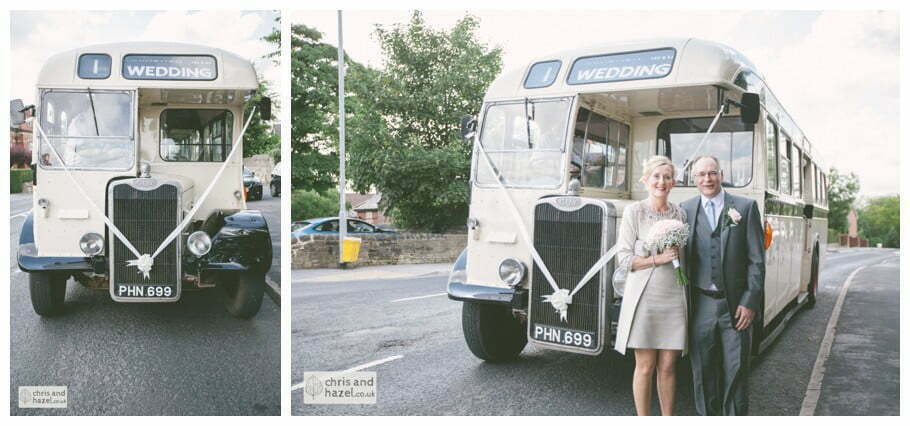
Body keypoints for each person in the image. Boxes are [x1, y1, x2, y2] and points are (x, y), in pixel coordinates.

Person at [680, 155, 765, 415]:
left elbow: (757, 261)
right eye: (701, 175)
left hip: (735, 307)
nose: (707, 179)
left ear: (721, 173)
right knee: (702, 373)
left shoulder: (745, 207)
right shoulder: (685, 209)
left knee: (736, 371)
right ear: (694, 179)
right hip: (701, 305)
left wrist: (749, 302)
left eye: (712, 173)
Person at [614, 155, 688, 416]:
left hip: (673, 295)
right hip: (644, 297)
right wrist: (658, 258)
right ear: (646, 180)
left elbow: (684, 256)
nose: (661, 182)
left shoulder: (680, 213)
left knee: (668, 365)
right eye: (656, 176)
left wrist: (676, 253)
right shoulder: (634, 212)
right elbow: (624, 259)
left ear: (673, 182)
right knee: (645, 365)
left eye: (667, 177)